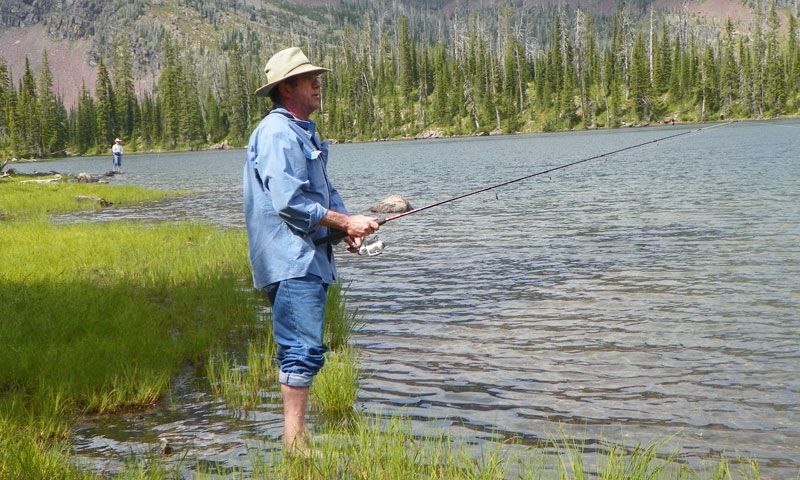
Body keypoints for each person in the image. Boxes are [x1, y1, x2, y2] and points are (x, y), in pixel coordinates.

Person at [242, 47, 380, 454]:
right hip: (290, 261)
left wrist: (344, 228)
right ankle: (295, 442)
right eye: (309, 79)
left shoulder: (302, 131)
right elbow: (290, 202)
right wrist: (347, 223)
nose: (318, 84)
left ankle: (296, 439)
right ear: (287, 88)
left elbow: (321, 195)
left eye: (316, 78)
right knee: (300, 349)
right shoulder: (277, 133)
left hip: (304, 258)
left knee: (302, 347)